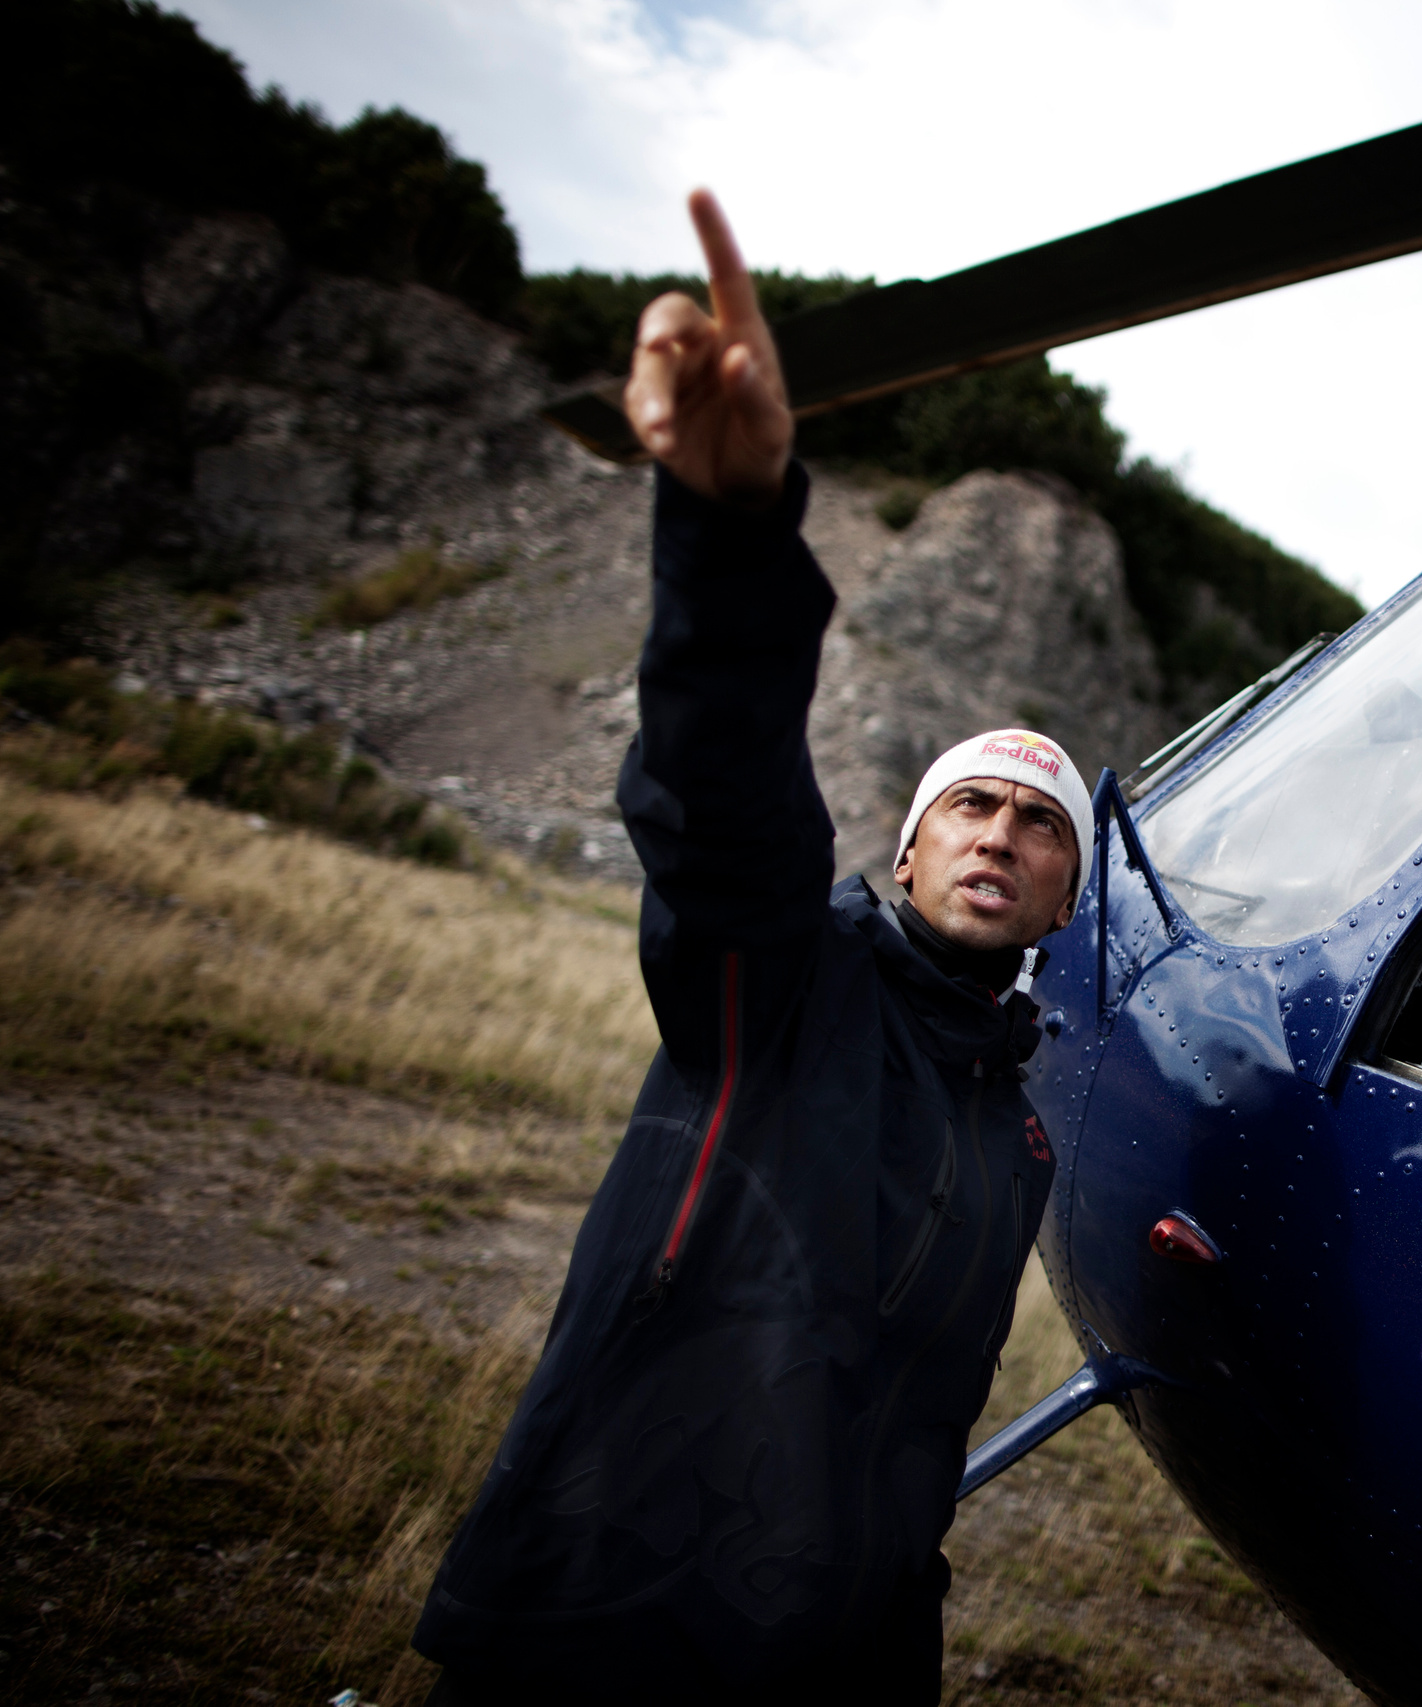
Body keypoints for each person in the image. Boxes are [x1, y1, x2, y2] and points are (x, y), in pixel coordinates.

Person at [412, 191, 1091, 1703]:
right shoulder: (783, 978)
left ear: (1061, 903)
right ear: (905, 847)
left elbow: (920, 1424)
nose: (999, 834)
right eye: (967, 805)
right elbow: (719, 802)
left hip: (828, 1652)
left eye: (1039, 827)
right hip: (602, 1610)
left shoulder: (1019, 1128)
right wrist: (729, 540)